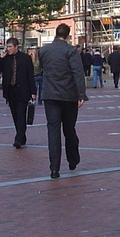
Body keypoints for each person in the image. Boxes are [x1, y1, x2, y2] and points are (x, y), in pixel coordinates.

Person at [37, 23, 87, 179]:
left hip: (50, 95)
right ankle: (73, 159)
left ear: (55, 34)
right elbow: (77, 73)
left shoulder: (44, 50)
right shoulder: (71, 51)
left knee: (53, 131)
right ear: (67, 35)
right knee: (69, 129)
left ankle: (54, 168)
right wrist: (81, 94)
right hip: (68, 95)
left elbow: (39, 70)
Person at [1, 37, 35, 147]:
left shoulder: (25, 58)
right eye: (7, 47)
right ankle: (21, 135)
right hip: (10, 91)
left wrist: (33, 92)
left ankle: (18, 138)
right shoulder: (6, 59)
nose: (8, 49)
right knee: (15, 115)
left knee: (21, 115)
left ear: (16, 47)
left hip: (22, 90)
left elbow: (30, 75)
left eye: (10, 47)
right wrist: (1, 58)